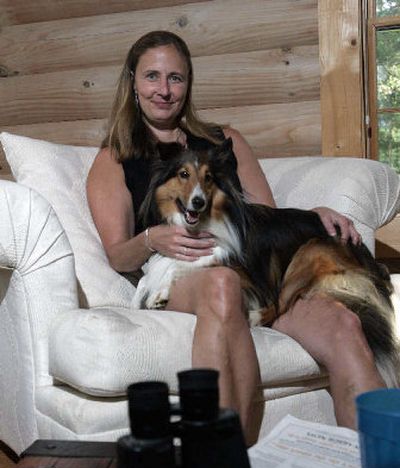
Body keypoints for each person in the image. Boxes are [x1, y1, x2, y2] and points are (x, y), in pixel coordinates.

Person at [87, 30, 385, 443]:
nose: (164, 89)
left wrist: (310, 214)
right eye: (152, 76)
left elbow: (266, 217)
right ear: (132, 83)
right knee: (223, 285)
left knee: (344, 324)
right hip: (180, 276)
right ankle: (225, 462)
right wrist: (153, 238)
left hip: (256, 275)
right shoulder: (114, 157)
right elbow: (118, 254)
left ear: (188, 84)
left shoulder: (225, 140)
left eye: (176, 78)